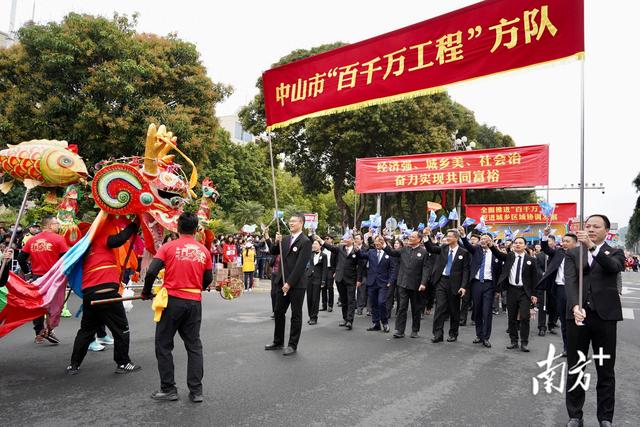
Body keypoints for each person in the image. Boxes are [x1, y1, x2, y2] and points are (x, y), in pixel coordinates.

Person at [142, 212, 213, 402]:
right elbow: (208, 279)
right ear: (196, 228)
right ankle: (196, 391)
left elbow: (151, 272)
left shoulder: (168, 247)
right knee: (194, 345)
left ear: (178, 227)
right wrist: (197, 288)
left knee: (163, 344)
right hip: (194, 302)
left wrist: (146, 292)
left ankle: (168, 388)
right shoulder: (203, 251)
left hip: (172, 300)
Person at [564, 215, 624, 427]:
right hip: (578, 317)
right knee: (575, 366)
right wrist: (574, 306)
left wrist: (592, 247)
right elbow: (570, 282)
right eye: (587, 226)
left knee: (605, 369)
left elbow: (613, 267)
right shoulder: (572, 253)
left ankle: (605, 418)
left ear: (606, 230)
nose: (590, 229)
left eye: (595, 226)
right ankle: (574, 415)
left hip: (605, 317)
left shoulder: (615, 251)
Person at [66, 217, 141, 375]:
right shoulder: (99, 239)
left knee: (86, 331)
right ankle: (123, 363)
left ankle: (74, 365)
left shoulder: (85, 248)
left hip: (90, 294)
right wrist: (134, 224)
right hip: (106, 292)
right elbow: (118, 240)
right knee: (121, 329)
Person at [264, 213, 312, 355]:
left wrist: (289, 283)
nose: (291, 223)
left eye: (294, 221)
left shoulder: (305, 241)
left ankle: (292, 344)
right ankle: (278, 341)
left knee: (296, 314)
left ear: (301, 223)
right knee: (279, 311)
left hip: (296, 284)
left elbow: (300, 266)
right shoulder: (285, 239)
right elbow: (273, 251)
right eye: (290, 221)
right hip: (281, 281)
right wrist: (268, 237)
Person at [18, 216, 69, 344]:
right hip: (54, 278)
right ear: (50, 225)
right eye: (57, 223)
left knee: (39, 305)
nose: (58, 226)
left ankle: (39, 332)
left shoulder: (32, 240)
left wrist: (28, 273)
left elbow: (20, 258)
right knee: (55, 305)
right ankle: (49, 330)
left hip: (37, 277)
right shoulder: (59, 239)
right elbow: (66, 259)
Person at [489, 236, 538, 352]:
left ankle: (524, 342)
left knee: (525, 317)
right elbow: (499, 255)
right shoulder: (510, 256)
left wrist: (534, 294)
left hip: (524, 292)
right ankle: (513, 341)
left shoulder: (531, 260)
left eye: (520, 243)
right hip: (511, 290)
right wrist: (491, 245)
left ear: (525, 246)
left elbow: (534, 279)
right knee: (512, 317)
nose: (517, 245)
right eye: (515, 243)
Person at [537, 226, 578, 357]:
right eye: (563, 241)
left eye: (568, 241)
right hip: (560, 289)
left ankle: (578, 349)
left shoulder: (581, 254)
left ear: (575, 243)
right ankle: (566, 348)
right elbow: (545, 249)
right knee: (564, 321)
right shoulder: (558, 252)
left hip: (575, 291)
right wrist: (545, 235)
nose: (564, 243)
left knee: (577, 321)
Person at [459, 227, 502, 348]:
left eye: (486, 239)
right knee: (477, 310)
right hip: (476, 284)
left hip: (489, 285)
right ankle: (479, 335)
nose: (483, 241)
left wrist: (498, 290)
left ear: (491, 241)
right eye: (482, 239)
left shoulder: (496, 254)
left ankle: (486, 337)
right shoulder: (476, 250)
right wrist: (463, 235)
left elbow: (499, 273)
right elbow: (467, 245)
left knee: (487, 311)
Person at [425, 228, 470, 343]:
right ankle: (438, 334)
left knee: (454, 310)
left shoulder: (463, 252)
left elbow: (466, 271)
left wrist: (463, 286)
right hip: (442, 281)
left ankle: (453, 333)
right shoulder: (444, 248)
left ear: (456, 238)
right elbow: (430, 248)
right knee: (439, 308)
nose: (447, 238)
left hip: (455, 284)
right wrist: (426, 236)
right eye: (447, 236)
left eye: (450, 236)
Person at [318, 231, 362, 330]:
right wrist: (320, 240)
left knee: (351, 300)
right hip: (340, 278)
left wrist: (359, 279)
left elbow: (360, 266)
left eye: (347, 238)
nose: (345, 240)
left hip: (351, 279)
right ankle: (345, 318)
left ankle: (350, 320)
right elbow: (330, 247)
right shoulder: (340, 248)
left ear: (352, 240)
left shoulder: (356, 250)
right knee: (344, 299)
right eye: (344, 238)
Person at [358, 235, 394, 333]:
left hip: (384, 283)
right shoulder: (371, 252)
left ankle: (385, 322)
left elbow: (392, 269)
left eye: (379, 242)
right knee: (374, 304)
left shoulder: (389, 253)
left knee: (381, 302)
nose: (377, 244)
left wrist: (390, 281)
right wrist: (357, 250)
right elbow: (361, 255)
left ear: (383, 242)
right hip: (372, 282)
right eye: (376, 242)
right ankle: (376, 323)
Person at [305, 240, 327, 325]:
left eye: (315, 244)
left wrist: (323, 281)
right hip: (309, 277)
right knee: (309, 298)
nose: (313, 245)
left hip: (318, 279)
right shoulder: (311, 254)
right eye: (313, 244)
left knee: (315, 299)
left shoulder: (324, 256)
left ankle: (314, 317)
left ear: (320, 246)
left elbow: (325, 269)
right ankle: (310, 316)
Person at [385, 239, 402, 319]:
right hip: (392, 276)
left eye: (397, 243)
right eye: (395, 243)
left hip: (400, 276)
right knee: (389, 295)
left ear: (401, 245)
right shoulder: (391, 253)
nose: (396, 244)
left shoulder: (401, 252)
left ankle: (399, 312)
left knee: (399, 296)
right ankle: (387, 313)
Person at [321, 235, 336, 312]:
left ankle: (330, 305)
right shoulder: (322, 249)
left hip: (331, 269)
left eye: (327, 239)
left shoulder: (334, 249)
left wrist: (335, 271)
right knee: (323, 287)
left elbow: (337, 261)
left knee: (330, 287)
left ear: (331, 240)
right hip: (323, 270)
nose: (326, 240)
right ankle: (324, 305)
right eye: (325, 239)